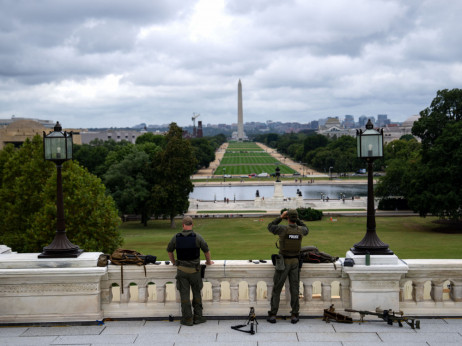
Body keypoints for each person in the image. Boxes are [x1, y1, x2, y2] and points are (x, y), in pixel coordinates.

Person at [167, 216, 213, 326]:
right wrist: (208, 262)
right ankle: (198, 317)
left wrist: (174, 262)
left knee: (184, 296)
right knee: (197, 294)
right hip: (195, 272)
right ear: (192, 225)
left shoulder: (176, 237)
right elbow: (206, 251)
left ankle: (187, 319)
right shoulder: (197, 237)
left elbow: (169, 251)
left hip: (182, 272)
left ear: (183, 225)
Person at [267, 209, 309, 324]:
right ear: (296, 218)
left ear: (287, 218)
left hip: (283, 262)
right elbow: (307, 229)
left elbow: (270, 226)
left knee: (277, 289)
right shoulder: (300, 230)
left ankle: (273, 314)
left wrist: (281, 217)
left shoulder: (282, 229)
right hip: (295, 261)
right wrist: (297, 219)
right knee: (294, 289)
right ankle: (294, 314)